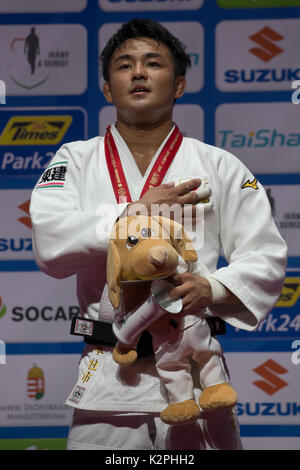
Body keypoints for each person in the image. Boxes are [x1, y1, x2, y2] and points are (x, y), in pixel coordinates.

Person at [30, 19, 287, 450]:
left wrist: (213, 286)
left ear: (180, 84)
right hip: (110, 379)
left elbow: (266, 254)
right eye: (124, 65)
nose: (138, 73)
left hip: (197, 374)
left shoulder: (219, 166)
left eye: (153, 63)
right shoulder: (74, 159)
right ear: (109, 89)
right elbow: (49, 243)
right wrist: (131, 213)